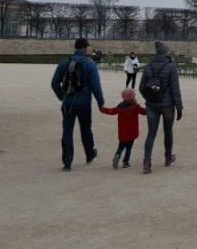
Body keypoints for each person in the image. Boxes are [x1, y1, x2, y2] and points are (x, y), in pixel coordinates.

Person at [50, 37, 105, 172]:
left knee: (67, 131)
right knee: (86, 129)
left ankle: (67, 162)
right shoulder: (90, 63)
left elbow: (54, 83)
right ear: (85, 47)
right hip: (84, 102)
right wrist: (100, 102)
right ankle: (89, 154)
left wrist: (62, 97)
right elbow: (95, 86)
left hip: (68, 102)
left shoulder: (64, 62)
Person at [140, 41, 183, 173]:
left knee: (151, 133)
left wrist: (149, 98)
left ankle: (147, 162)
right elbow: (175, 89)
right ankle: (168, 157)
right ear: (165, 52)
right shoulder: (170, 67)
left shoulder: (148, 67)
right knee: (168, 132)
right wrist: (179, 107)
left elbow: (141, 87)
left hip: (152, 105)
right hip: (167, 105)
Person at [99, 89, 147, 169]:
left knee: (121, 146)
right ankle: (125, 162)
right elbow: (144, 112)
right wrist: (152, 108)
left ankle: (117, 154)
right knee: (129, 148)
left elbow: (110, 111)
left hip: (123, 132)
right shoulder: (136, 107)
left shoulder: (120, 107)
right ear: (132, 97)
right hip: (132, 132)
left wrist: (102, 108)